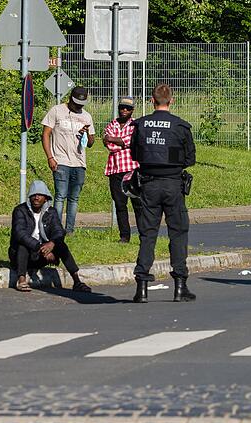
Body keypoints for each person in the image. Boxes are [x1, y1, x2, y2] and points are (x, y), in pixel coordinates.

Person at [130, 84, 196, 303]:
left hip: (148, 184)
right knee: (178, 233)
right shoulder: (180, 126)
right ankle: (180, 286)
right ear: (172, 100)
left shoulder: (140, 125)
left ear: (152, 100)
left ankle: (141, 288)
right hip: (173, 185)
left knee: (147, 234)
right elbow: (189, 159)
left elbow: (134, 153)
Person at [9, 180, 90, 292]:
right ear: (29, 197)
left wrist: (52, 244)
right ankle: (21, 280)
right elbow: (20, 233)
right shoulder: (20, 210)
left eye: (40, 195)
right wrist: (40, 248)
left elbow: (59, 231)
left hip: (42, 255)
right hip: (21, 256)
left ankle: (77, 281)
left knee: (62, 245)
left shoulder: (51, 212)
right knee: (23, 244)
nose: (36, 198)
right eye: (34, 195)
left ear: (46, 198)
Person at [41, 86, 96, 234]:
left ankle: (70, 230)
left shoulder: (87, 116)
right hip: (61, 161)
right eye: (77, 103)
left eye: (82, 104)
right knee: (60, 196)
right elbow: (45, 134)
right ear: (71, 98)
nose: (79, 106)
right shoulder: (57, 111)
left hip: (79, 163)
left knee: (74, 198)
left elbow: (91, 143)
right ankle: (57, 230)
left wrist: (86, 133)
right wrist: (50, 157)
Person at [103, 96, 142, 243]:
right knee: (120, 204)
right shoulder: (111, 124)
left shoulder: (136, 126)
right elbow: (109, 145)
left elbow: (132, 142)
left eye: (128, 108)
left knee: (138, 204)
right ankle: (124, 236)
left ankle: (144, 234)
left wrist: (114, 139)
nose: (124, 110)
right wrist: (121, 142)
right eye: (122, 107)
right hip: (115, 169)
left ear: (132, 110)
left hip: (132, 169)